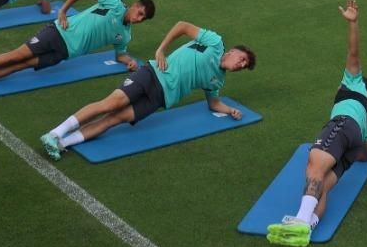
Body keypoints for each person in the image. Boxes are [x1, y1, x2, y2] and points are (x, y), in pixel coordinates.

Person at [40, 22, 256, 158]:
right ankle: (54, 133)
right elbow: (182, 26)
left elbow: (213, 103)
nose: (241, 65)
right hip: (151, 75)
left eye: (244, 66)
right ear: (234, 51)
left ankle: (61, 144)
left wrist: (229, 110)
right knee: (110, 104)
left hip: (160, 98)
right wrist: (161, 50)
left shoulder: (217, 80)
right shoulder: (215, 43)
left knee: (113, 120)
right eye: (243, 59)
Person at [267, 0, 367, 247]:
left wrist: (353, 23)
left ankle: (299, 218)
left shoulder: (353, 83)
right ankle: (307, 226)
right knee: (322, 187)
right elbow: (365, 154)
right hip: (354, 142)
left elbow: (353, 53)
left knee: (315, 166)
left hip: (342, 125)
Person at [0, 0, 155, 96]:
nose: (139, 18)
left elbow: (120, 54)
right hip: (58, 33)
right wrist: (63, 11)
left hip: (66, 53)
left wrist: (128, 61)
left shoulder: (125, 34)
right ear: (135, 5)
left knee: (22, 65)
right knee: (17, 55)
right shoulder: (116, 3)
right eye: (140, 12)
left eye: (143, 18)